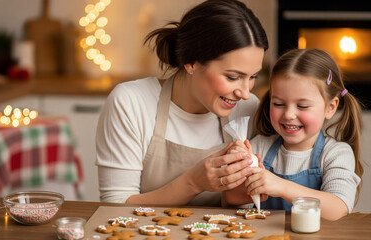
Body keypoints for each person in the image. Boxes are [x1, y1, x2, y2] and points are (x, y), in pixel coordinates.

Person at [95, 0, 268, 206]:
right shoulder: (132, 103)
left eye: (252, 77)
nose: (245, 93)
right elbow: (114, 206)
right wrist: (194, 182)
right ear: (191, 62)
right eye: (232, 77)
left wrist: (244, 193)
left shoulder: (248, 110)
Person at [225, 48, 363, 221]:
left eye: (302, 106)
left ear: (330, 107)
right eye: (278, 103)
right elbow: (230, 201)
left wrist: (281, 187)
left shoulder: (336, 153)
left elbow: (338, 209)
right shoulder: (259, 146)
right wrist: (239, 171)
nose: (289, 114)